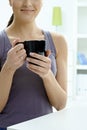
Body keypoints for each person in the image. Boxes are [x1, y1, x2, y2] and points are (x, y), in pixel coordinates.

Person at [0, 0, 68, 129]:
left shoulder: (58, 41)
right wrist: (8, 68)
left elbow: (60, 104)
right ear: (10, 1)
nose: (28, 3)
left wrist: (47, 74)